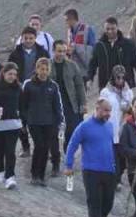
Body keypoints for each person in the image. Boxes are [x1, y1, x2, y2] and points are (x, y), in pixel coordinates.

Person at [64, 98, 119, 217]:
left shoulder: (110, 126)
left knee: (108, 204)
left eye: (110, 111)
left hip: (109, 170)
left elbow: (110, 147)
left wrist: (116, 167)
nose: (108, 114)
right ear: (97, 109)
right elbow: (72, 145)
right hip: (91, 170)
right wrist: (68, 165)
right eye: (106, 111)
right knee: (94, 202)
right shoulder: (84, 126)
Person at [20, 58, 64, 187]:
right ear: (36, 69)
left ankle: (41, 176)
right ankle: (34, 175)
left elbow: (57, 105)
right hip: (34, 122)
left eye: (46, 69)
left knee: (45, 148)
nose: (44, 72)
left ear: (49, 70)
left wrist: (60, 120)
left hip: (49, 122)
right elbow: (23, 105)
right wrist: (23, 121)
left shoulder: (53, 85)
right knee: (39, 146)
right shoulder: (28, 84)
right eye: (41, 69)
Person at [9, 27, 50, 158]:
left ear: (35, 38)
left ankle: (45, 146)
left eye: (31, 38)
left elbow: (48, 69)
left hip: (38, 88)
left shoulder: (42, 51)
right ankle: (26, 146)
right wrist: (16, 83)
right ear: (22, 38)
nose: (28, 40)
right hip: (20, 89)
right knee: (21, 117)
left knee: (42, 116)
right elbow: (10, 70)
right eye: (25, 38)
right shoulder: (15, 53)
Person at [0, 62, 23, 190]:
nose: (12, 76)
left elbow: (24, 104)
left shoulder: (18, 87)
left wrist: (23, 117)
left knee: (10, 152)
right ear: (4, 73)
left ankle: (10, 177)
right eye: (9, 74)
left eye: (14, 74)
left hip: (13, 125)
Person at [50, 40, 86, 174]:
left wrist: (83, 104)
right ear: (53, 51)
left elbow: (79, 86)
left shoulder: (72, 66)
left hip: (70, 104)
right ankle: (55, 160)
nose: (62, 54)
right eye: (59, 51)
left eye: (64, 51)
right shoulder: (46, 65)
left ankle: (67, 156)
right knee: (53, 134)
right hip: (52, 105)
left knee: (72, 131)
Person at [99, 65, 135, 176]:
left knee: (123, 159)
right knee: (114, 158)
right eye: (117, 77)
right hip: (111, 129)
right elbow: (101, 109)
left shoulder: (128, 92)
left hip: (123, 130)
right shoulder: (106, 92)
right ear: (113, 78)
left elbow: (132, 109)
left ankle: (118, 176)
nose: (120, 80)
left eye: (122, 77)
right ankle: (115, 180)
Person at [87, 17, 136, 91]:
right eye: (107, 29)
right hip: (106, 86)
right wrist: (90, 79)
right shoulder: (99, 46)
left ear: (117, 28)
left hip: (125, 84)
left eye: (113, 29)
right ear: (104, 29)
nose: (110, 31)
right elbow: (92, 64)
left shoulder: (128, 44)